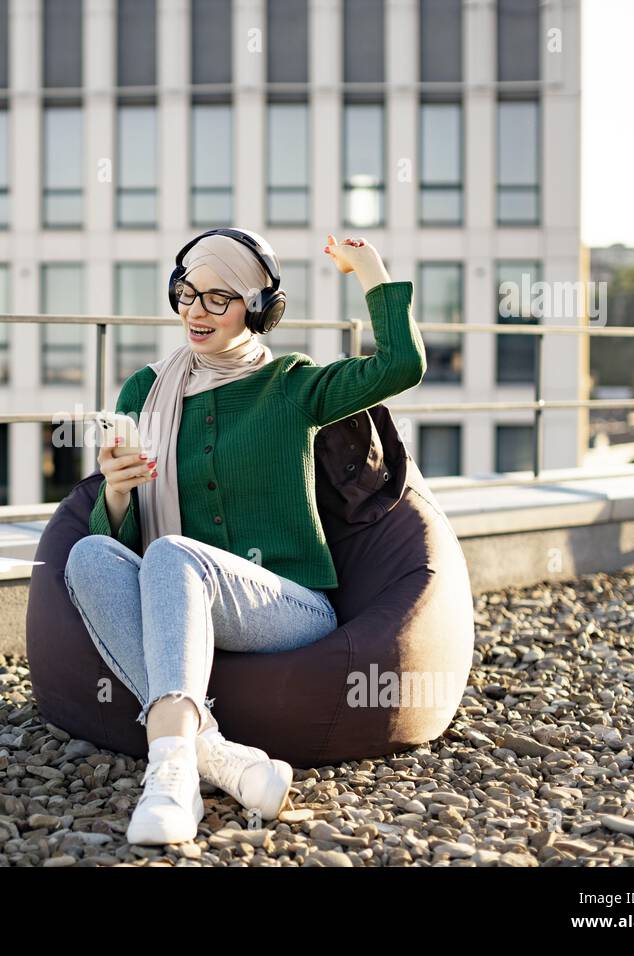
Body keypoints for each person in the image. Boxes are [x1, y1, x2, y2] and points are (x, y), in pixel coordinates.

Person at [63, 228, 426, 845]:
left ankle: (170, 780)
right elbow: (119, 543)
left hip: (285, 604)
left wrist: (370, 271)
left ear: (259, 309)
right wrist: (117, 493)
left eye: (217, 298)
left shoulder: (295, 385)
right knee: (88, 554)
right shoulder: (145, 390)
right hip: (176, 589)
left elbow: (401, 366)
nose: (194, 313)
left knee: (173, 555)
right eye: (186, 294)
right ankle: (209, 754)